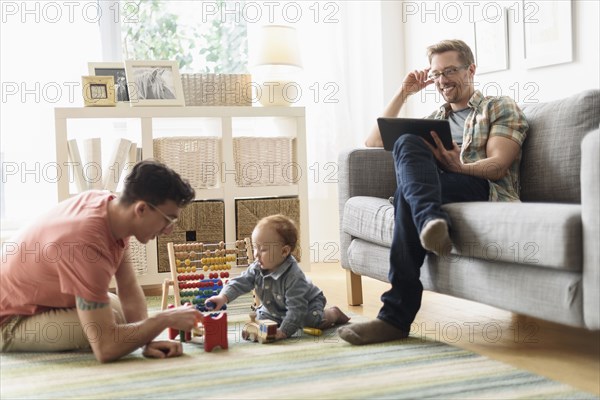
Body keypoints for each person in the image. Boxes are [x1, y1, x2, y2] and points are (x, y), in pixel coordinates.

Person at [338, 39, 528, 345]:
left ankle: (395, 319)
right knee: (405, 144)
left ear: (471, 70)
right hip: (434, 189)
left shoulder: (498, 106)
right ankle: (429, 220)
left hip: (478, 185)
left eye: (450, 70)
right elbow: (373, 141)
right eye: (437, 74)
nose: (442, 80)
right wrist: (404, 93)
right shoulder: (435, 120)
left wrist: (459, 166)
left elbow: (498, 167)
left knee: (405, 196)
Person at [1, 160, 203, 362]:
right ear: (141, 209)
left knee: (121, 316)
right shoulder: (85, 243)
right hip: (11, 320)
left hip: (41, 299)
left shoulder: (112, 210)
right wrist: (162, 320)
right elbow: (105, 348)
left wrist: (147, 341)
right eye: (168, 220)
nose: (169, 230)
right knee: (112, 324)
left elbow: (128, 285)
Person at [207, 214, 350, 340]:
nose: (256, 254)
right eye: (255, 247)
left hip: (306, 303)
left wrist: (284, 332)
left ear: (284, 251)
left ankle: (333, 313)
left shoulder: (294, 277)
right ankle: (273, 322)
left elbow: (296, 308)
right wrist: (223, 297)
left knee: (308, 320)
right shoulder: (257, 267)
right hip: (275, 307)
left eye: (263, 249)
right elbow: (240, 282)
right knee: (261, 318)